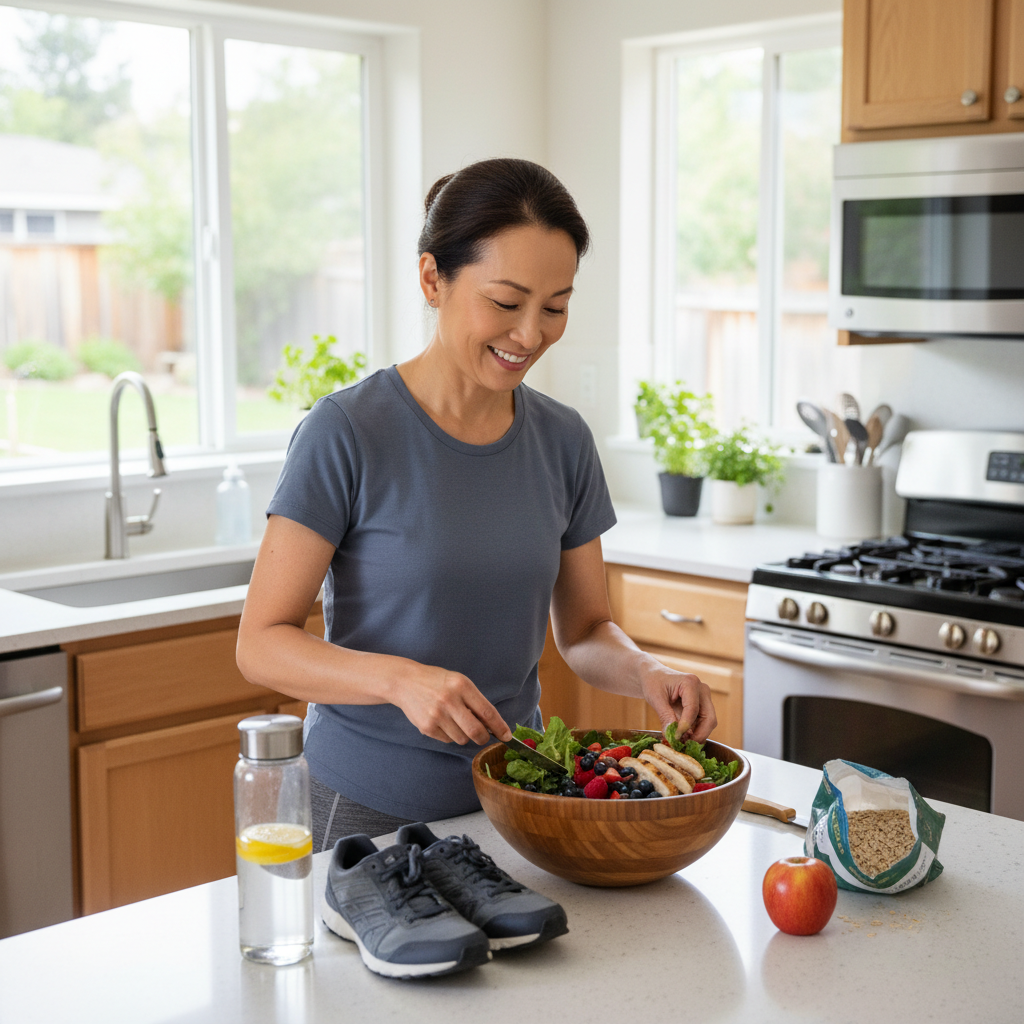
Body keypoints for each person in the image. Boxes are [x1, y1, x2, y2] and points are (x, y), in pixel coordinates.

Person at [236, 158, 716, 852]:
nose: (530, 333)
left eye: (555, 306)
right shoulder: (348, 431)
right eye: (506, 301)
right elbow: (261, 643)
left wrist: (649, 671)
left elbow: (583, 630)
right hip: (366, 813)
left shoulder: (563, 440)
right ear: (434, 279)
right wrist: (402, 681)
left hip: (516, 805)